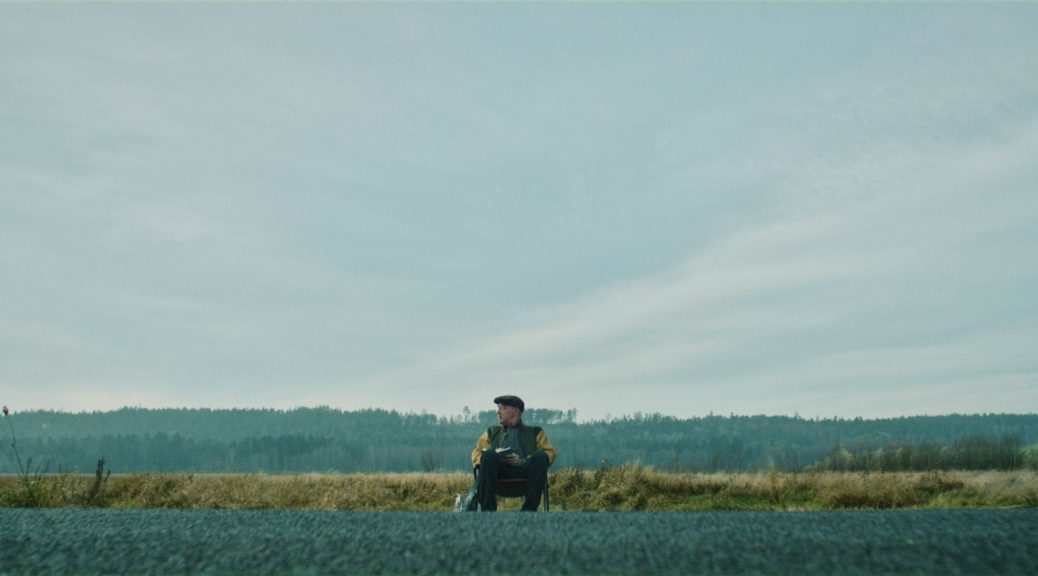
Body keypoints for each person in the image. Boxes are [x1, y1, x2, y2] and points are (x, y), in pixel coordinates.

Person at [470, 395, 556, 511]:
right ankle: (488, 512)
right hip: (499, 472)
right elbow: (477, 453)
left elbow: (549, 453)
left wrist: (523, 461)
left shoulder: (536, 432)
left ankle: (529, 511)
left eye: (503, 408)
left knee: (540, 456)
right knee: (488, 455)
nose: (498, 412)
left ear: (515, 411)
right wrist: (495, 455)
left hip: (525, 471)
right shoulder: (491, 432)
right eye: (498, 408)